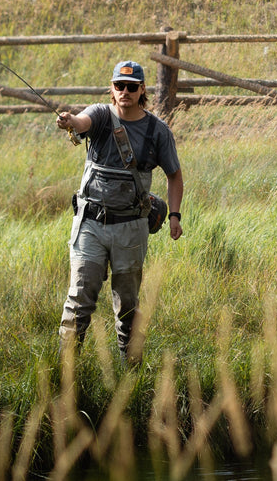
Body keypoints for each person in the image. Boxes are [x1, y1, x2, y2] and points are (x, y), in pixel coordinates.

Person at [55, 60, 183, 361]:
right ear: (112, 89)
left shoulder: (157, 131)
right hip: (90, 223)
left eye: (132, 86)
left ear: (142, 90)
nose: (125, 91)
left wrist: (175, 216)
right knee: (80, 297)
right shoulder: (100, 114)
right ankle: (65, 371)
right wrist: (71, 120)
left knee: (127, 304)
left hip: (131, 228)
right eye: (119, 86)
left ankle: (131, 372)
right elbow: (83, 122)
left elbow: (174, 175)